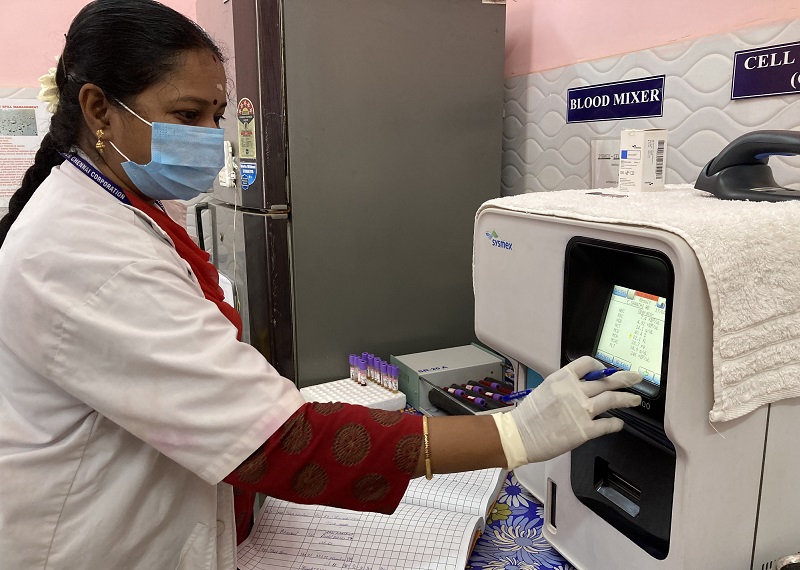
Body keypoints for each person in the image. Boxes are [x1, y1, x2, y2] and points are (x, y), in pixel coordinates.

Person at [0, 1, 642, 568]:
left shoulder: (117, 206)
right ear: (97, 110)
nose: (210, 138)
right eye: (186, 114)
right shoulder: (87, 251)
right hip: (94, 538)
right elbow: (279, 443)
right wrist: (513, 435)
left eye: (216, 115)